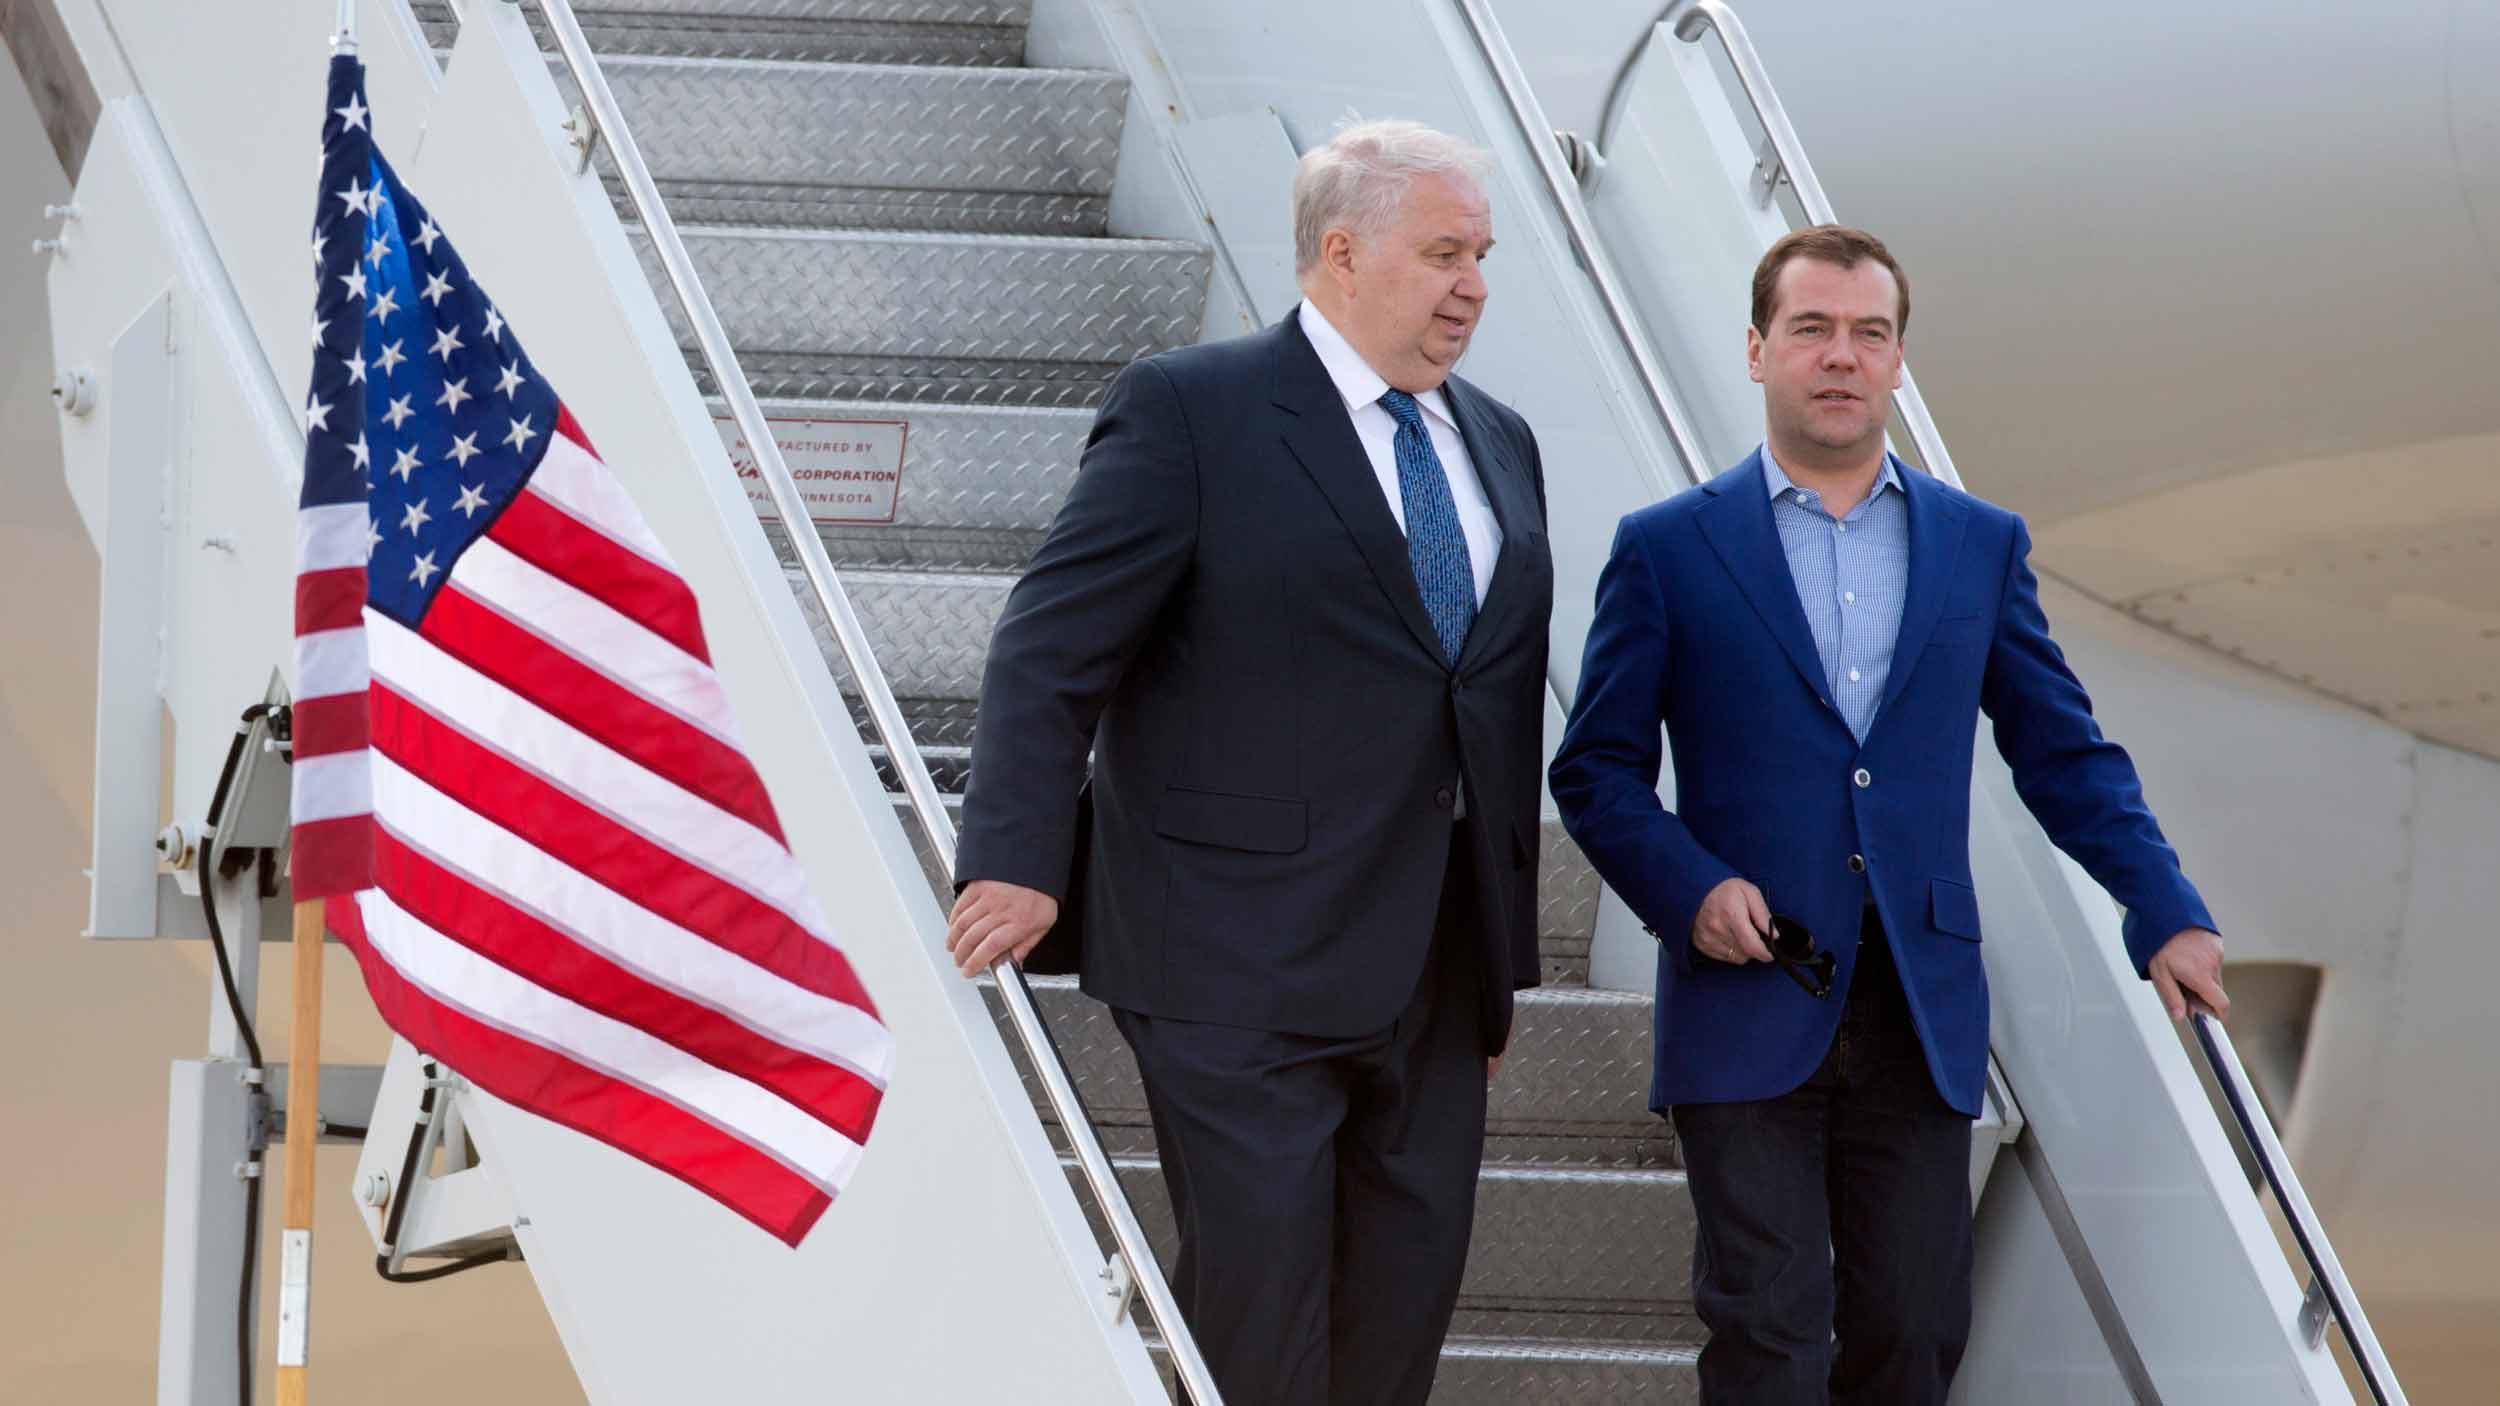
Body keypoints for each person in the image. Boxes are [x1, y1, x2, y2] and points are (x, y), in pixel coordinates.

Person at [1548, 224, 2230, 1405]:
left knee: (1912, 1335)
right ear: (1758, 350)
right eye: (1810, 329)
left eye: (1869, 333)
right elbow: (1595, 769)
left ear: (1899, 361)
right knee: (1766, 1332)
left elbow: (2061, 748)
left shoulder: (1977, 544)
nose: (1840, 356)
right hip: (1746, 991)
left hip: (1919, 1005)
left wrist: (2160, 904)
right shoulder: (1667, 548)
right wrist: (1689, 887)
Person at [944, 119, 1553, 1405]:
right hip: (1230, 956)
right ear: (1341, 252)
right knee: (1260, 1326)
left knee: (1392, 1338)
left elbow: (1486, 708)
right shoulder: (1193, 410)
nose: (1474, 285)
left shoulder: (1498, 441)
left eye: (1482, 255)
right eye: (1444, 252)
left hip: (1433, 970)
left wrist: (1496, 953)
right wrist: (1019, 857)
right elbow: (1050, 647)